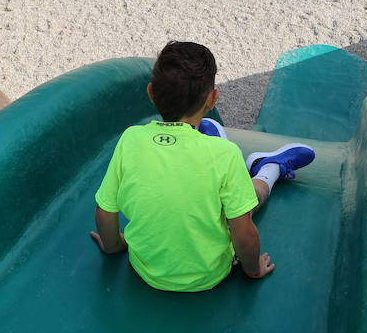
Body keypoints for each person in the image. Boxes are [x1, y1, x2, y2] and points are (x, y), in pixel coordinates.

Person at [91, 41, 316, 291]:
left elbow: (105, 211)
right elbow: (244, 234)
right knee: (249, 199)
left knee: (221, 186)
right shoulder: (226, 155)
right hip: (211, 275)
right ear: (212, 100)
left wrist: (114, 246)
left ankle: (208, 138)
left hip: (145, 272)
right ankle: (269, 168)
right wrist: (253, 271)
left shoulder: (130, 139)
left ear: (151, 92)